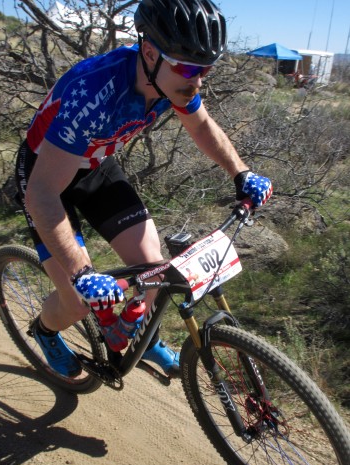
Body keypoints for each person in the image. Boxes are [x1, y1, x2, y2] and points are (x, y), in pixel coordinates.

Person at [15, 0, 272, 379]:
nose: (197, 81)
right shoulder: (94, 92)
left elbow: (201, 127)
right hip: (46, 177)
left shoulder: (170, 79)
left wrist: (241, 173)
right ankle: (45, 330)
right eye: (187, 67)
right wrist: (81, 273)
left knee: (155, 268)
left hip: (94, 166)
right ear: (149, 52)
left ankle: (144, 341)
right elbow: (41, 195)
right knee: (77, 301)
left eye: (205, 70)